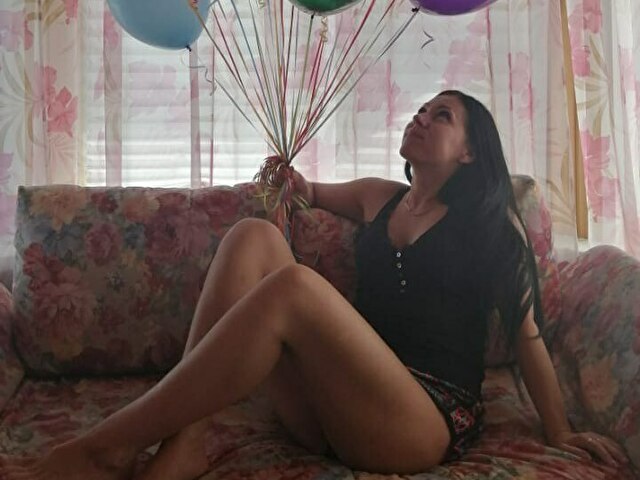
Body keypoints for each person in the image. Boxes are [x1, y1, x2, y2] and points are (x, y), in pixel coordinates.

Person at [1, 90, 628, 480]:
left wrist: (559, 432)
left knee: (295, 289)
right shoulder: (381, 197)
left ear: (469, 152)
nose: (422, 117)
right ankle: (182, 446)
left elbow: (528, 339)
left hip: (420, 422)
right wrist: (289, 179)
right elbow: (308, 192)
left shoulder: (491, 229)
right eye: (420, 109)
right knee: (253, 236)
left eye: (442, 116)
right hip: (333, 407)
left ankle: (102, 449)